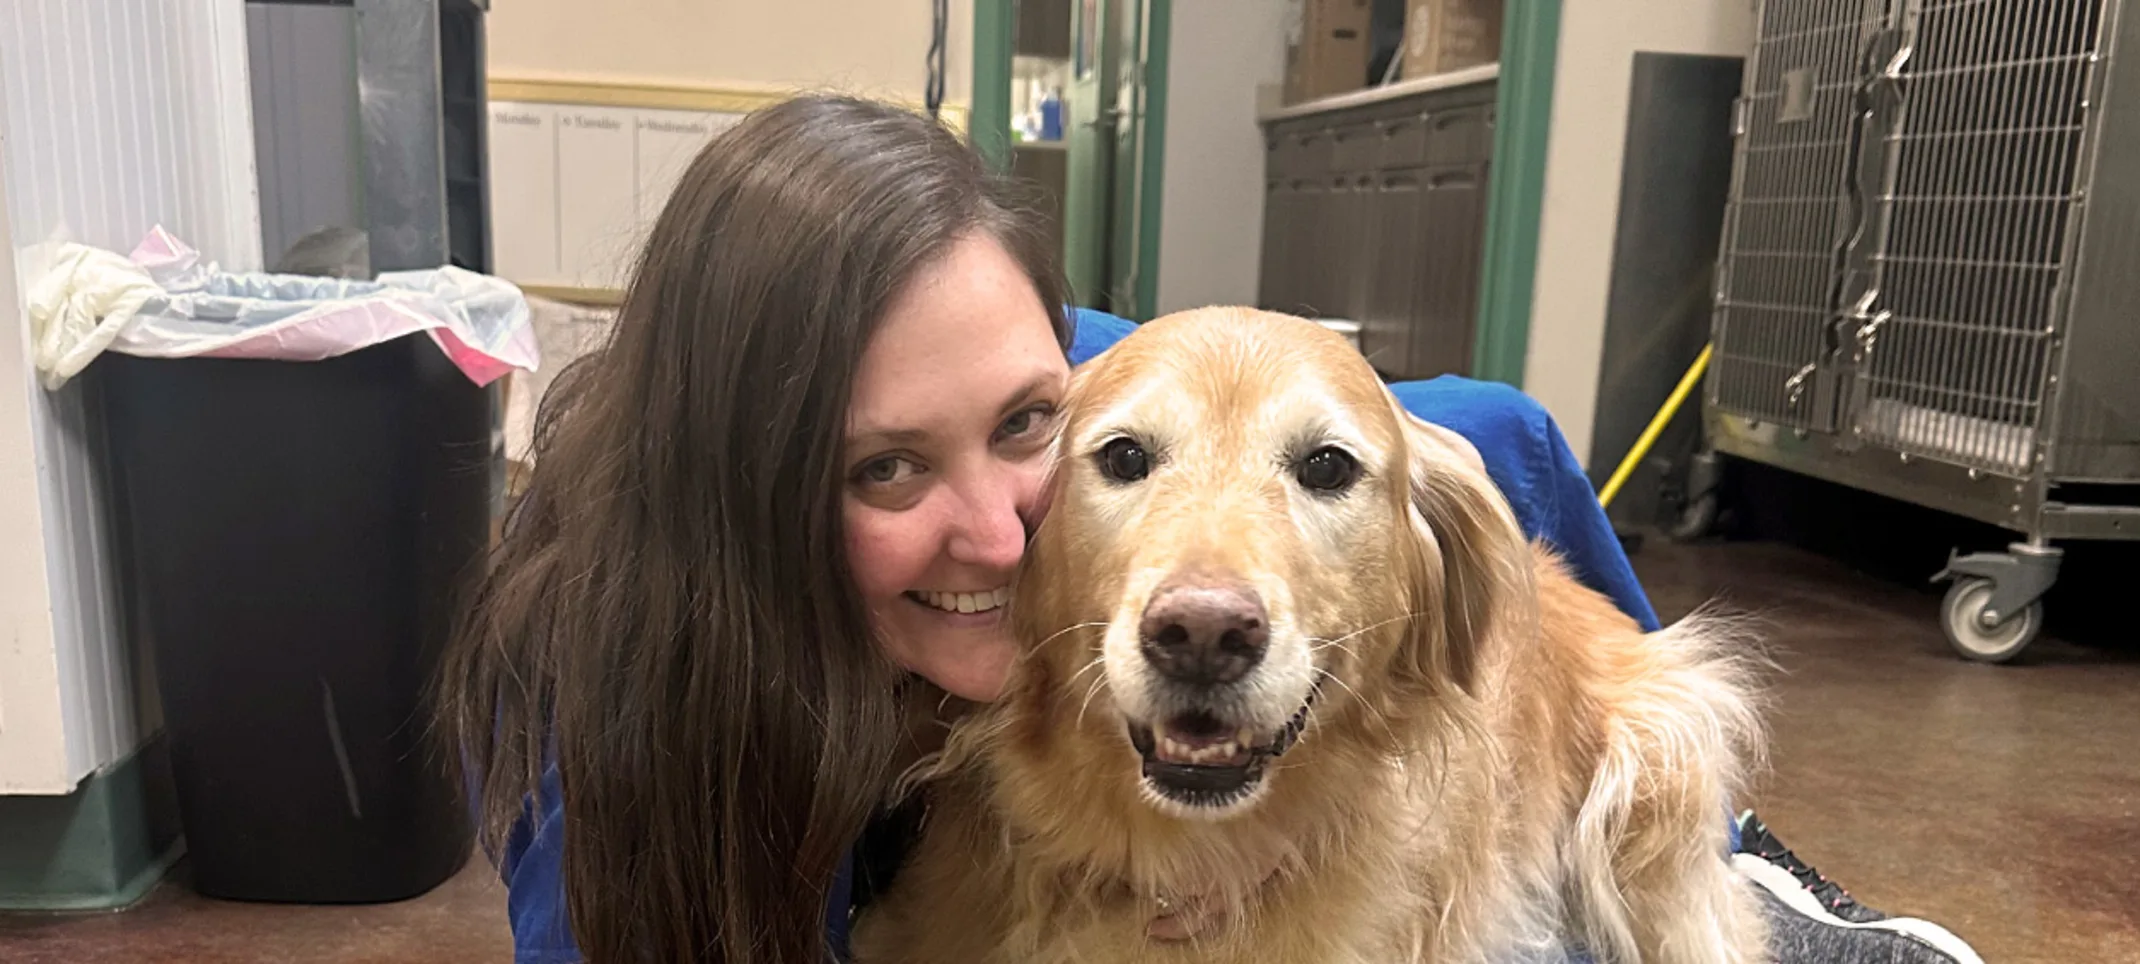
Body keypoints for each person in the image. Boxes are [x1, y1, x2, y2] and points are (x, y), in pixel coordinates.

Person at [436, 94, 1980, 964]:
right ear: (754, 487)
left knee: (1504, 447)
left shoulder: (1069, 367)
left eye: (1032, 428)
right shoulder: (616, 733)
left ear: (1053, 356)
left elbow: (1322, 420)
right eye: (884, 473)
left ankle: (1752, 874)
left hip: (1452, 786)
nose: (1000, 527)